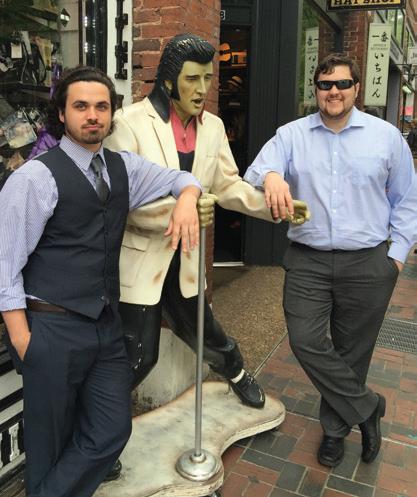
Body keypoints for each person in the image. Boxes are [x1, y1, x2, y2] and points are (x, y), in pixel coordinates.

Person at [0, 65, 203, 497]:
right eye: (81, 106)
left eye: (101, 106)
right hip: (51, 328)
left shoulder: (122, 167)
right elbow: (4, 265)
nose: (92, 115)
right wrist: (23, 340)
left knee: (112, 429)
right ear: (62, 113)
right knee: (49, 444)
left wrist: (188, 198)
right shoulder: (34, 178)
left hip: (105, 326)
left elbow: (180, 177)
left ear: (112, 113)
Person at [104, 33, 310, 409]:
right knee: (139, 355)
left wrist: (274, 206)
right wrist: (178, 212)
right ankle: (100, 425)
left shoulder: (213, 127)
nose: (202, 89)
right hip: (142, 260)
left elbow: (228, 185)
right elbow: (122, 201)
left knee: (206, 335)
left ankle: (237, 373)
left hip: (185, 258)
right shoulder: (128, 123)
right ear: (169, 82)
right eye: (192, 79)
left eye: (208, 78)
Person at [244, 53, 417, 467]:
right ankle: (368, 407)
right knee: (305, 340)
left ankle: (335, 432)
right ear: (316, 90)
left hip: (369, 263)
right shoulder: (291, 135)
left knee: (353, 351)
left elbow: (407, 201)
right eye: (325, 84)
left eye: (341, 84)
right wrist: (272, 175)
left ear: (356, 88)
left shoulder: (386, 137)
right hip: (309, 261)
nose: (333, 91)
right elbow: (254, 173)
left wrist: (394, 259)